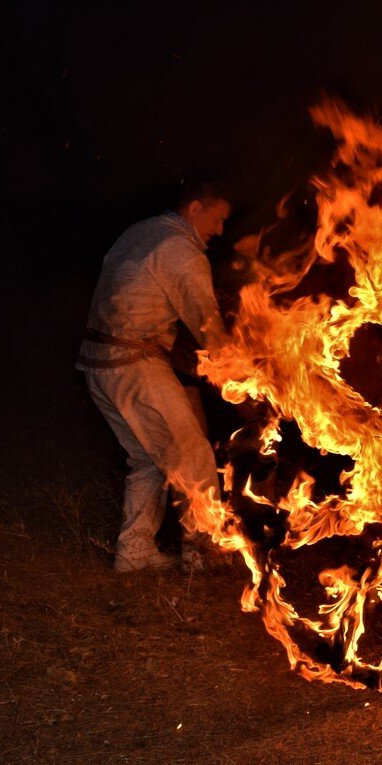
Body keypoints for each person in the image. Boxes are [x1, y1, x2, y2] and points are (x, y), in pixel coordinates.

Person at [76, 175, 231, 572]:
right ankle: (203, 551)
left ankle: (133, 552)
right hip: (133, 364)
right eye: (217, 219)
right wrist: (242, 367)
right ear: (195, 208)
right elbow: (206, 322)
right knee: (193, 453)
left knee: (147, 457)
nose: (220, 229)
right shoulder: (180, 249)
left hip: (97, 366)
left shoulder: (140, 231)